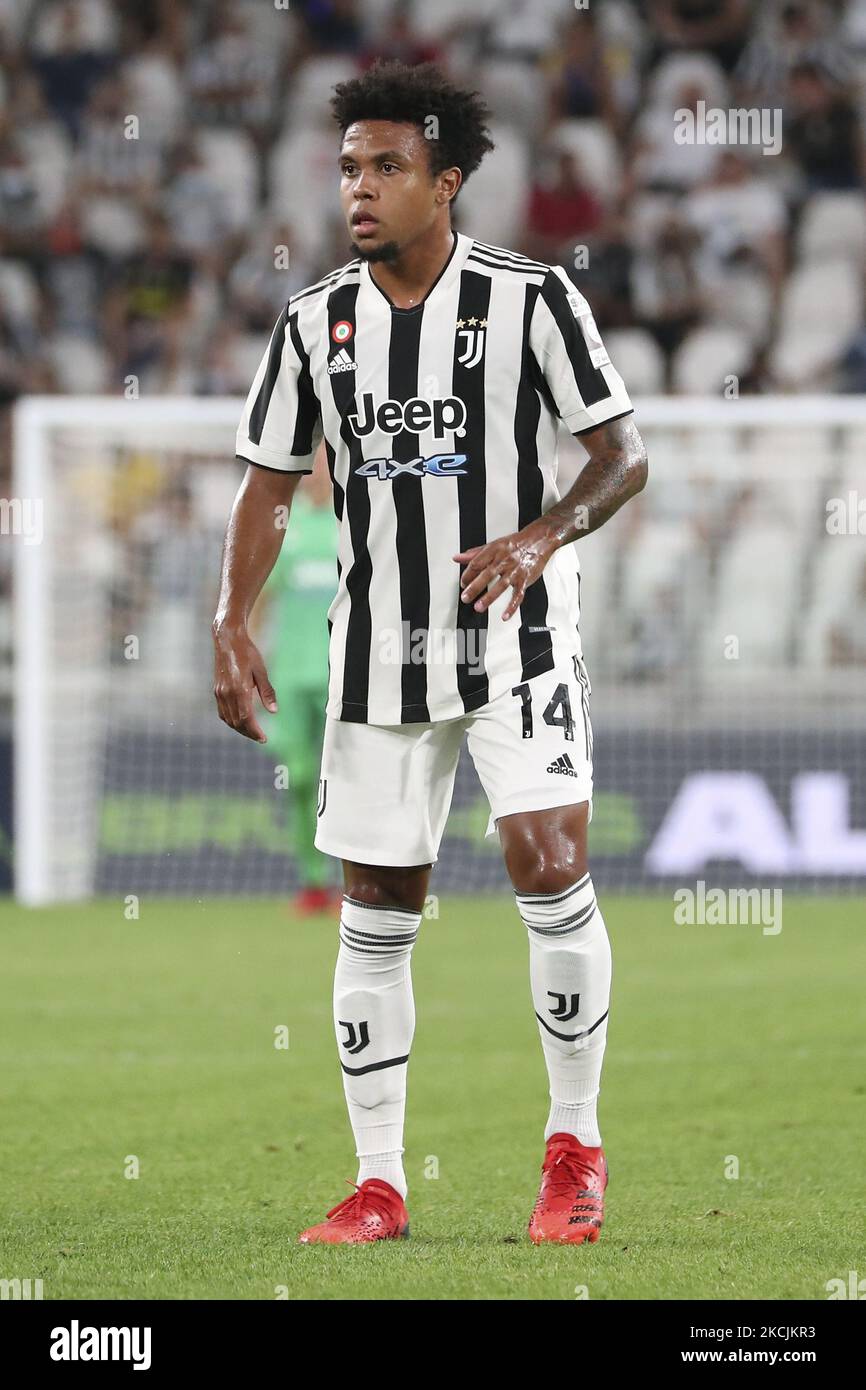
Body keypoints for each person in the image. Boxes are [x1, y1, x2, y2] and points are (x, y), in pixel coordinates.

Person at [212, 59, 648, 1246]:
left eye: (387, 166)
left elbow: (620, 458)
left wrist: (541, 532)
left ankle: (572, 1152)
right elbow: (262, 487)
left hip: (521, 632)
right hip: (374, 650)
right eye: (350, 166)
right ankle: (379, 1183)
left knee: (546, 861)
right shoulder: (312, 325)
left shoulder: (534, 301)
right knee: (376, 904)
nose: (359, 187)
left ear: (445, 181)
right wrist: (227, 619)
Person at [258, 441, 339, 913]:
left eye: (323, 465)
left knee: (347, 780)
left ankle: (357, 883)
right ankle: (313, 881)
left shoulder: (354, 525)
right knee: (300, 777)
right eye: (310, 467)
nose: (315, 474)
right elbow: (261, 598)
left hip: (342, 676)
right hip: (290, 674)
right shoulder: (283, 529)